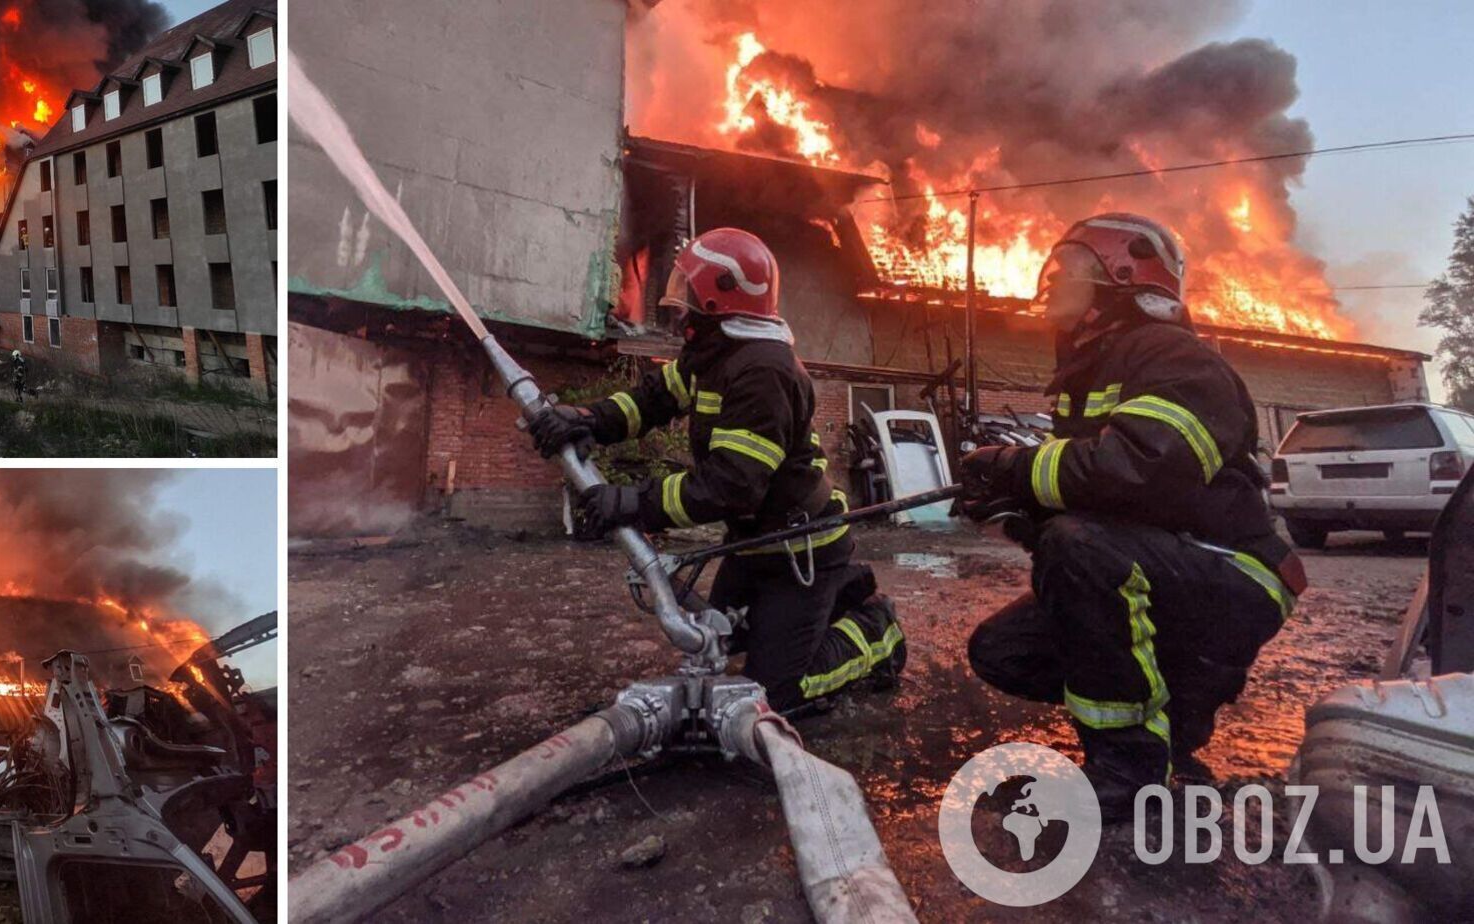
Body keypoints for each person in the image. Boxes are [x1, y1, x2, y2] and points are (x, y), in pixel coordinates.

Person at [958, 213, 1306, 816]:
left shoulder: (1174, 357)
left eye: (1069, 272)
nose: (1052, 284)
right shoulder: (1092, 371)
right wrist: (1013, 509)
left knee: (1078, 550)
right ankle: (1172, 725)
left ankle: (1131, 776)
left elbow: (1142, 469)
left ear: (1120, 280)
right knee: (1004, 649)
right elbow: (1109, 514)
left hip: (1239, 574)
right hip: (1183, 564)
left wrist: (1019, 469)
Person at [530, 227, 905, 712]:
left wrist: (630, 502)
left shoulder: (763, 371)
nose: (677, 304)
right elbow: (653, 400)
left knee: (776, 696)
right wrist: (586, 421)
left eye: (688, 292)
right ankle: (834, 603)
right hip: (753, 545)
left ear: (720, 298)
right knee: (721, 639)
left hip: (799, 552)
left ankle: (876, 632)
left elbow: (730, 488)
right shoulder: (713, 354)